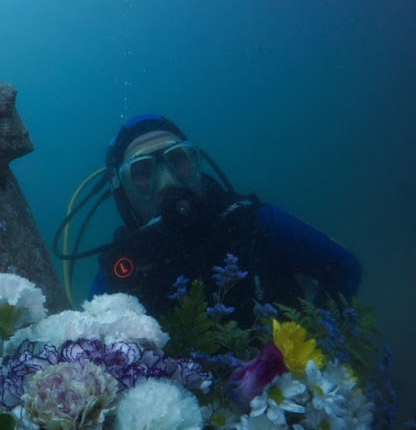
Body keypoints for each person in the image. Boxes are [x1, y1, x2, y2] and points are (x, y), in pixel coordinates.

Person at [56, 113, 362, 325]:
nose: (167, 183)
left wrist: (313, 342)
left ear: (196, 162)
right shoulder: (120, 273)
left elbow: (343, 268)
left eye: (177, 159)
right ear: (122, 190)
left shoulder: (258, 224)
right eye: (142, 172)